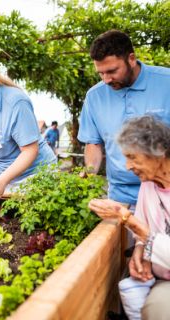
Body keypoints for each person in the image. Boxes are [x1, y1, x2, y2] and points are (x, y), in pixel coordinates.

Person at [89, 115, 170, 320]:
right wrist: (139, 251)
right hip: (160, 276)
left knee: (159, 309)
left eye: (132, 157)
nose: (127, 166)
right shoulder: (148, 184)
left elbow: (139, 225)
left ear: (158, 153)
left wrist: (127, 218)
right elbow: (144, 232)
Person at [78, 29, 170, 206]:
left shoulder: (166, 82)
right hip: (120, 197)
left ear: (131, 59)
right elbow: (94, 143)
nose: (106, 79)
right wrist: (89, 175)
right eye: (100, 73)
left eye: (112, 71)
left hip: (165, 195)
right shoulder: (94, 96)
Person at [0, 54, 57, 199]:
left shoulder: (16, 102)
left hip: (34, 174)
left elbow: (30, 151)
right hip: (3, 177)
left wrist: (2, 180)